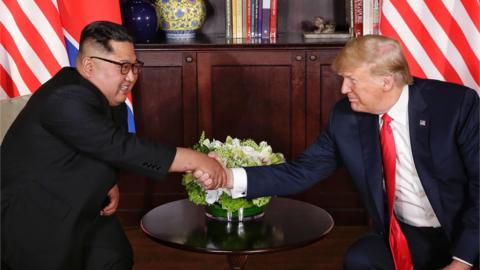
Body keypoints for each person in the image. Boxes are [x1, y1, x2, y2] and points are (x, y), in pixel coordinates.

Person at [197, 35, 479, 269]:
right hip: (405, 234)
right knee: (359, 259)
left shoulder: (455, 106)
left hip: (465, 231)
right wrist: (226, 177)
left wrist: (461, 262)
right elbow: (303, 171)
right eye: (343, 79)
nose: (344, 89)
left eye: (352, 80)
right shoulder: (347, 117)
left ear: (386, 81)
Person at [1, 21, 226, 270]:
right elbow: (120, 146)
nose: (131, 77)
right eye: (123, 67)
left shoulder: (109, 99)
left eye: (134, 66)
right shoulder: (64, 97)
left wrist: (108, 181)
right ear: (88, 66)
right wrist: (195, 160)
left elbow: (100, 147)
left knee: (114, 257)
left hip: (83, 205)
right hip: (33, 219)